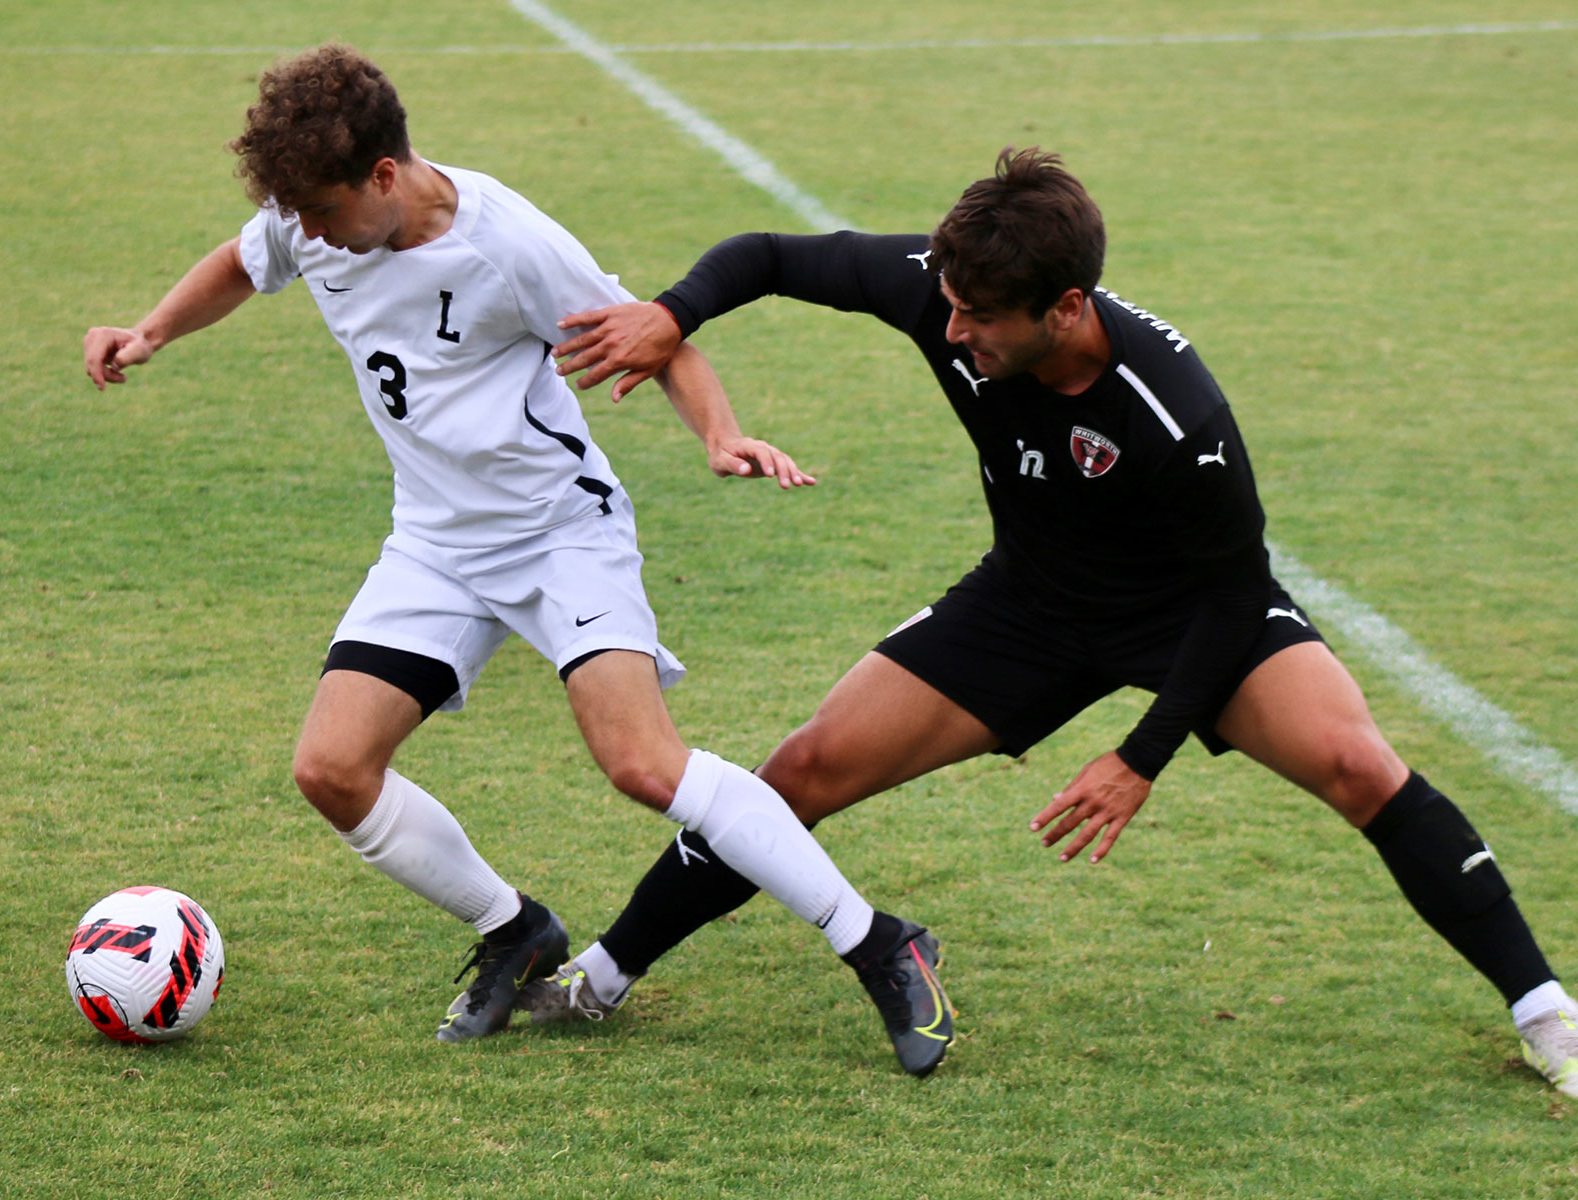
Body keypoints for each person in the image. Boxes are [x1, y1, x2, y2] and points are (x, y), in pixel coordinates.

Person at [533, 147, 1578, 1100]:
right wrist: (673, 312)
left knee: (1358, 765)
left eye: (979, 318)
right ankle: (602, 976)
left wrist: (1139, 757)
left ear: (1064, 309)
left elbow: (1234, 595)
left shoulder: (1176, 412)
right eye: (949, 303)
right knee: (803, 768)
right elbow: (771, 254)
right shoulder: (950, 290)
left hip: (1190, 612)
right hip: (1030, 604)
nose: (952, 330)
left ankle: (1547, 1012)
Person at [80, 44, 952, 1076]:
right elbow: (242, 260)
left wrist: (720, 435)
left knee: (643, 764)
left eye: (319, 211)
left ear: (384, 176)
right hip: (434, 542)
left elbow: (659, 338)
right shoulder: (306, 218)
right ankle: (515, 929)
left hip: (557, 535)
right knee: (332, 770)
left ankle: (878, 942)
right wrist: (152, 331)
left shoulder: (510, 246)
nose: (304, 233)